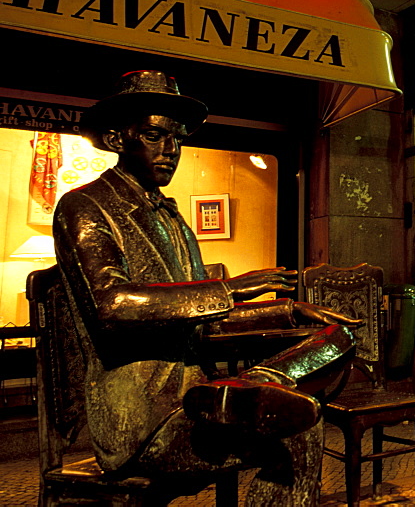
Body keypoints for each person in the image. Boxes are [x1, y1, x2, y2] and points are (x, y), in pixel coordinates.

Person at [52, 70, 359, 503]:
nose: (171, 150)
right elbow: (110, 304)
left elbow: (207, 324)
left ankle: (248, 387)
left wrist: (286, 311)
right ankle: (249, 390)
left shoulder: (172, 219)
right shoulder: (84, 206)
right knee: (296, 432)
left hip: (193, 397)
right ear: (119, 139)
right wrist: (229, 290)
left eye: (177, 139)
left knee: (330, 346)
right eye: (155, 136)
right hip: (142, 417)